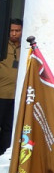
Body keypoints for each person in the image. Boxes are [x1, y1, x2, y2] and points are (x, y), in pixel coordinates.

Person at [0, 18, 19, 156]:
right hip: (1, 94)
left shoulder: (26, 46)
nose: (14, 33)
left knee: (9, 128)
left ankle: (4, 153)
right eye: (11, 30)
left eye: (17, 30)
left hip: (16, 96)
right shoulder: (2, 45)